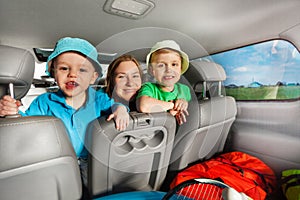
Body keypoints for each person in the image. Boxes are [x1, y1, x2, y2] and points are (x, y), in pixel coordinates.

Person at [0, 37, 130, 188]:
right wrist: (12, 112)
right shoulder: (44, 102)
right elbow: (28, 124)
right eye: (64, 68)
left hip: (93, 161)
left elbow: (115, 106)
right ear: (53, 73)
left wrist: (121, 109)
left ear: (93, 77)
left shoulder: (99, 99)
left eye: (82, 69)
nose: (72, 75)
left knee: (98, 191)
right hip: (57, 162)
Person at [137, 40, 191, 125]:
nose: (168, 70)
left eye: (174, 64)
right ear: (152, 70)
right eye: (161, 65)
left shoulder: (185, 89)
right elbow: (144, 105)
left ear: (180, 68)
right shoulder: (149, 88)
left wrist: (184, 103)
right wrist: (173, 105)